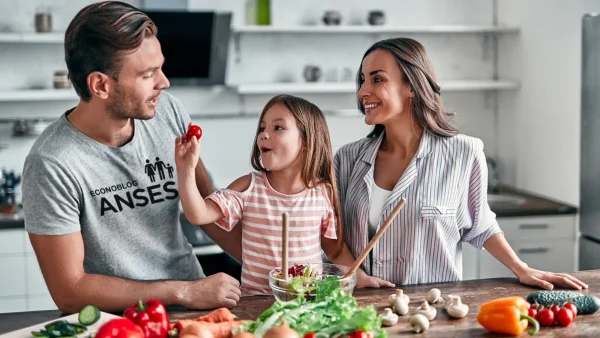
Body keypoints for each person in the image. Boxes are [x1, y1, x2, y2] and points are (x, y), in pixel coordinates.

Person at [21, 1, 241, 314]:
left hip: (196, 310)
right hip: (121, 324)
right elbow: (69, 291)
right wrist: (184, 290)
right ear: (100, 85)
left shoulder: (168, 112)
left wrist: (272, 265)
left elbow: (208, 208)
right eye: (148, 74)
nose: (164, 83)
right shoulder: (52, 163)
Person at [334, 37, 588, 290]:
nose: (362, 91)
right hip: (362, 312)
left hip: (430, 311)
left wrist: (521, 268)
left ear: (411, 85)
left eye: (377, 79)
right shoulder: (347, 159)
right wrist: (354, 277)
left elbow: (482, 225)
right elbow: (330, 234)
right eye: (363, 80)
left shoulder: (464, 153)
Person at [175, 94, 393, 295]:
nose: (264, 135)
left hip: (307, 302)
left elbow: (334, 250)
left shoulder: (322, 193)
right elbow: (198, 215)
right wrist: (186, 169)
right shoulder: (248, 187)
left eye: (278, 127)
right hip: (256, 304)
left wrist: (359, 276)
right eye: (262, 128)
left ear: (306, 142)